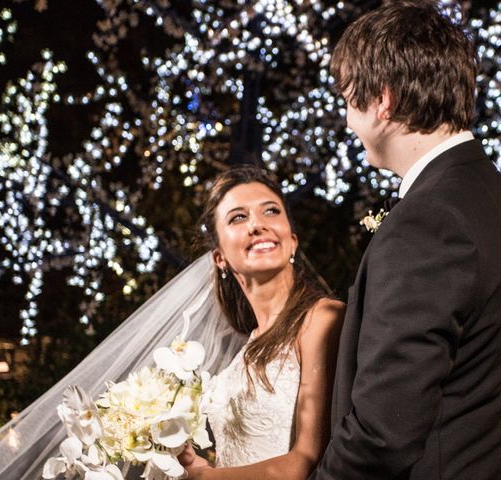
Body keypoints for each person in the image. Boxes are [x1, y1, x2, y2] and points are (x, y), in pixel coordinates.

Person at [308, 1, 501, 479]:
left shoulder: (429, 222)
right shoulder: (485, 193)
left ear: (383, 102)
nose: (348, 120)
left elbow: (383, 432)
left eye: (348, 99)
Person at [179, 166, 344, 479]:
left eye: (271, 211)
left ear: (292, 241)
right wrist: (193, 463)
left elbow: (309, 459)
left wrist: (206, 478)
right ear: (219, 258)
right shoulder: (246, 349)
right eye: (238, 217)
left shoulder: (321, 319)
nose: (258, 225)